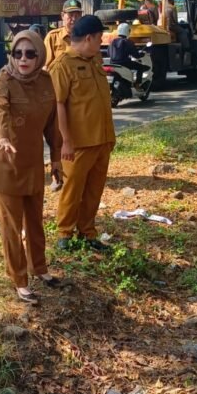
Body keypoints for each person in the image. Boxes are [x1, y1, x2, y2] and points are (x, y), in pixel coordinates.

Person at [0, 30, 64, 304]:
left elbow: (53, 124)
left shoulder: (45, 81)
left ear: (40, 55)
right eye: (18, 53)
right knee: (11, 226)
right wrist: (3, 136)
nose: (23, 59)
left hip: (31, 163)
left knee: (35, 221)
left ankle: (39, 268)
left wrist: (56, 158)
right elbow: (0, 110)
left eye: (30, 53)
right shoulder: (3, 79)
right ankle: (19, 280)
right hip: (5, 164)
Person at [49, 15, 115, 253]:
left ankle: (87, 232)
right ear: (89, 38)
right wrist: (65, 142)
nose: (101, 42)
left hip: (101, 139)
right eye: (99, 38)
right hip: (78, 143)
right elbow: (58, 105)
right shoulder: (62, 65)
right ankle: (65, 233)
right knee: (73, 189)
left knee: (94, 189)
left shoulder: (94, 60)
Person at [43, 0, 84, 69]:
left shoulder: (86, 38)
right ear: (62, 16)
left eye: (77, 15)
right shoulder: (53, 37)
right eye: (70, 15)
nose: (74, 19)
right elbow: (46, 66)